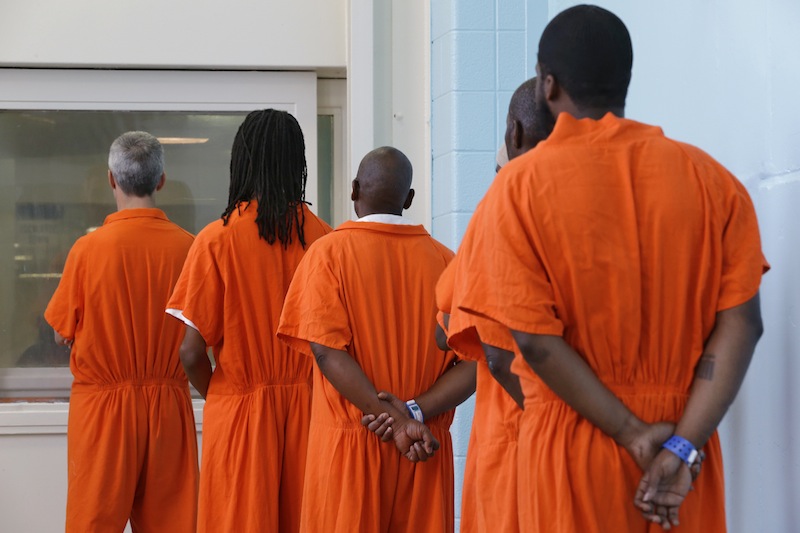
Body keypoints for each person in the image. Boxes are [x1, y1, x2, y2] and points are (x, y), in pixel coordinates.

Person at [450, 5, 768, 532]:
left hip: (570, 447)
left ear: (548, 87)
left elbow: (533, 342)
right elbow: (743, 324)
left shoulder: (519, 188)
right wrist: (682, 446)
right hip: (680, 452)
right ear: (625, 80)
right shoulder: (714, 183)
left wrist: (631, 433)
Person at [278, 146, 472, 532]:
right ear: (410, 199)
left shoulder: (327, 255)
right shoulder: (449, 263)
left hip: (350, 449)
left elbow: (326, 351)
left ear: (354, 190)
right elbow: (475, 362)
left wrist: (394, 422)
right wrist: (413, 414)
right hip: (423, 447)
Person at [166, 109, 331, 533]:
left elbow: (189, 351)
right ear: (298, 163)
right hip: (313, 414)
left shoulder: (216, 240)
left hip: (238, 411)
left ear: (242, 159)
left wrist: (225, 395)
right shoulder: (328, 242)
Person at [45, 131, 198, 532]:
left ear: (111, 179)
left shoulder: (88, 251)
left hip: (102, 413)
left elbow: (62, 331)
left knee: (92, 523)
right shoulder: (190, 249)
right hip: (168, 408)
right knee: (175, 523)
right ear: (161, 180)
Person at [441, 77, 545, 533]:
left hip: (519, 429)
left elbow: (456, 328)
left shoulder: (504, 210)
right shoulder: (617, 198)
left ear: (515, 135)